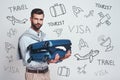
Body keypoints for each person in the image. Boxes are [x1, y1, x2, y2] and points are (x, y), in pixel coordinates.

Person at [18, 8, 71, 80]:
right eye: (36, 19)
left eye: (41, 19)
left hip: (46, 73)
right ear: (30, 19)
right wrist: (48, 61)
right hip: (33, 75)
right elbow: (27, 62)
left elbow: (51, 53)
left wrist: (62, 57)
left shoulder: (45, 36)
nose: (38, 22)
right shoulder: (25, 38)